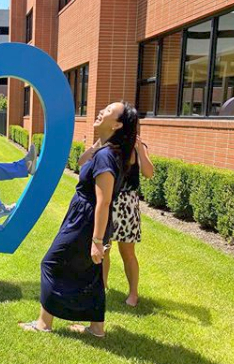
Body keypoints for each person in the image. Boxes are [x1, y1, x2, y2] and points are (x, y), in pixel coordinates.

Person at [19, 101, 139, 337]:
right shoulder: (108, 151)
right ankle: (96, 328)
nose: (101, 111)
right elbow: (83, 164)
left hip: (86, 221)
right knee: (90, 273)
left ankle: (44, 323)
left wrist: (96, 241)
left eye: (108, 112)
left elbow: (103, 202)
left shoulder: (107, 156)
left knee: (52, 262)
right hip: (86, 218)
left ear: (116, 125)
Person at [79, 134, 154, 307]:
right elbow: (81, 162)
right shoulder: (106, 145)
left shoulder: (137, 146)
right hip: (107, 201)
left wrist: (140, 149)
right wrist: (95, 146)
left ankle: (133, 293)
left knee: (127, 252)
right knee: (103, 249)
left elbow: (149, 173)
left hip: (127, 205)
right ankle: (102, 286)